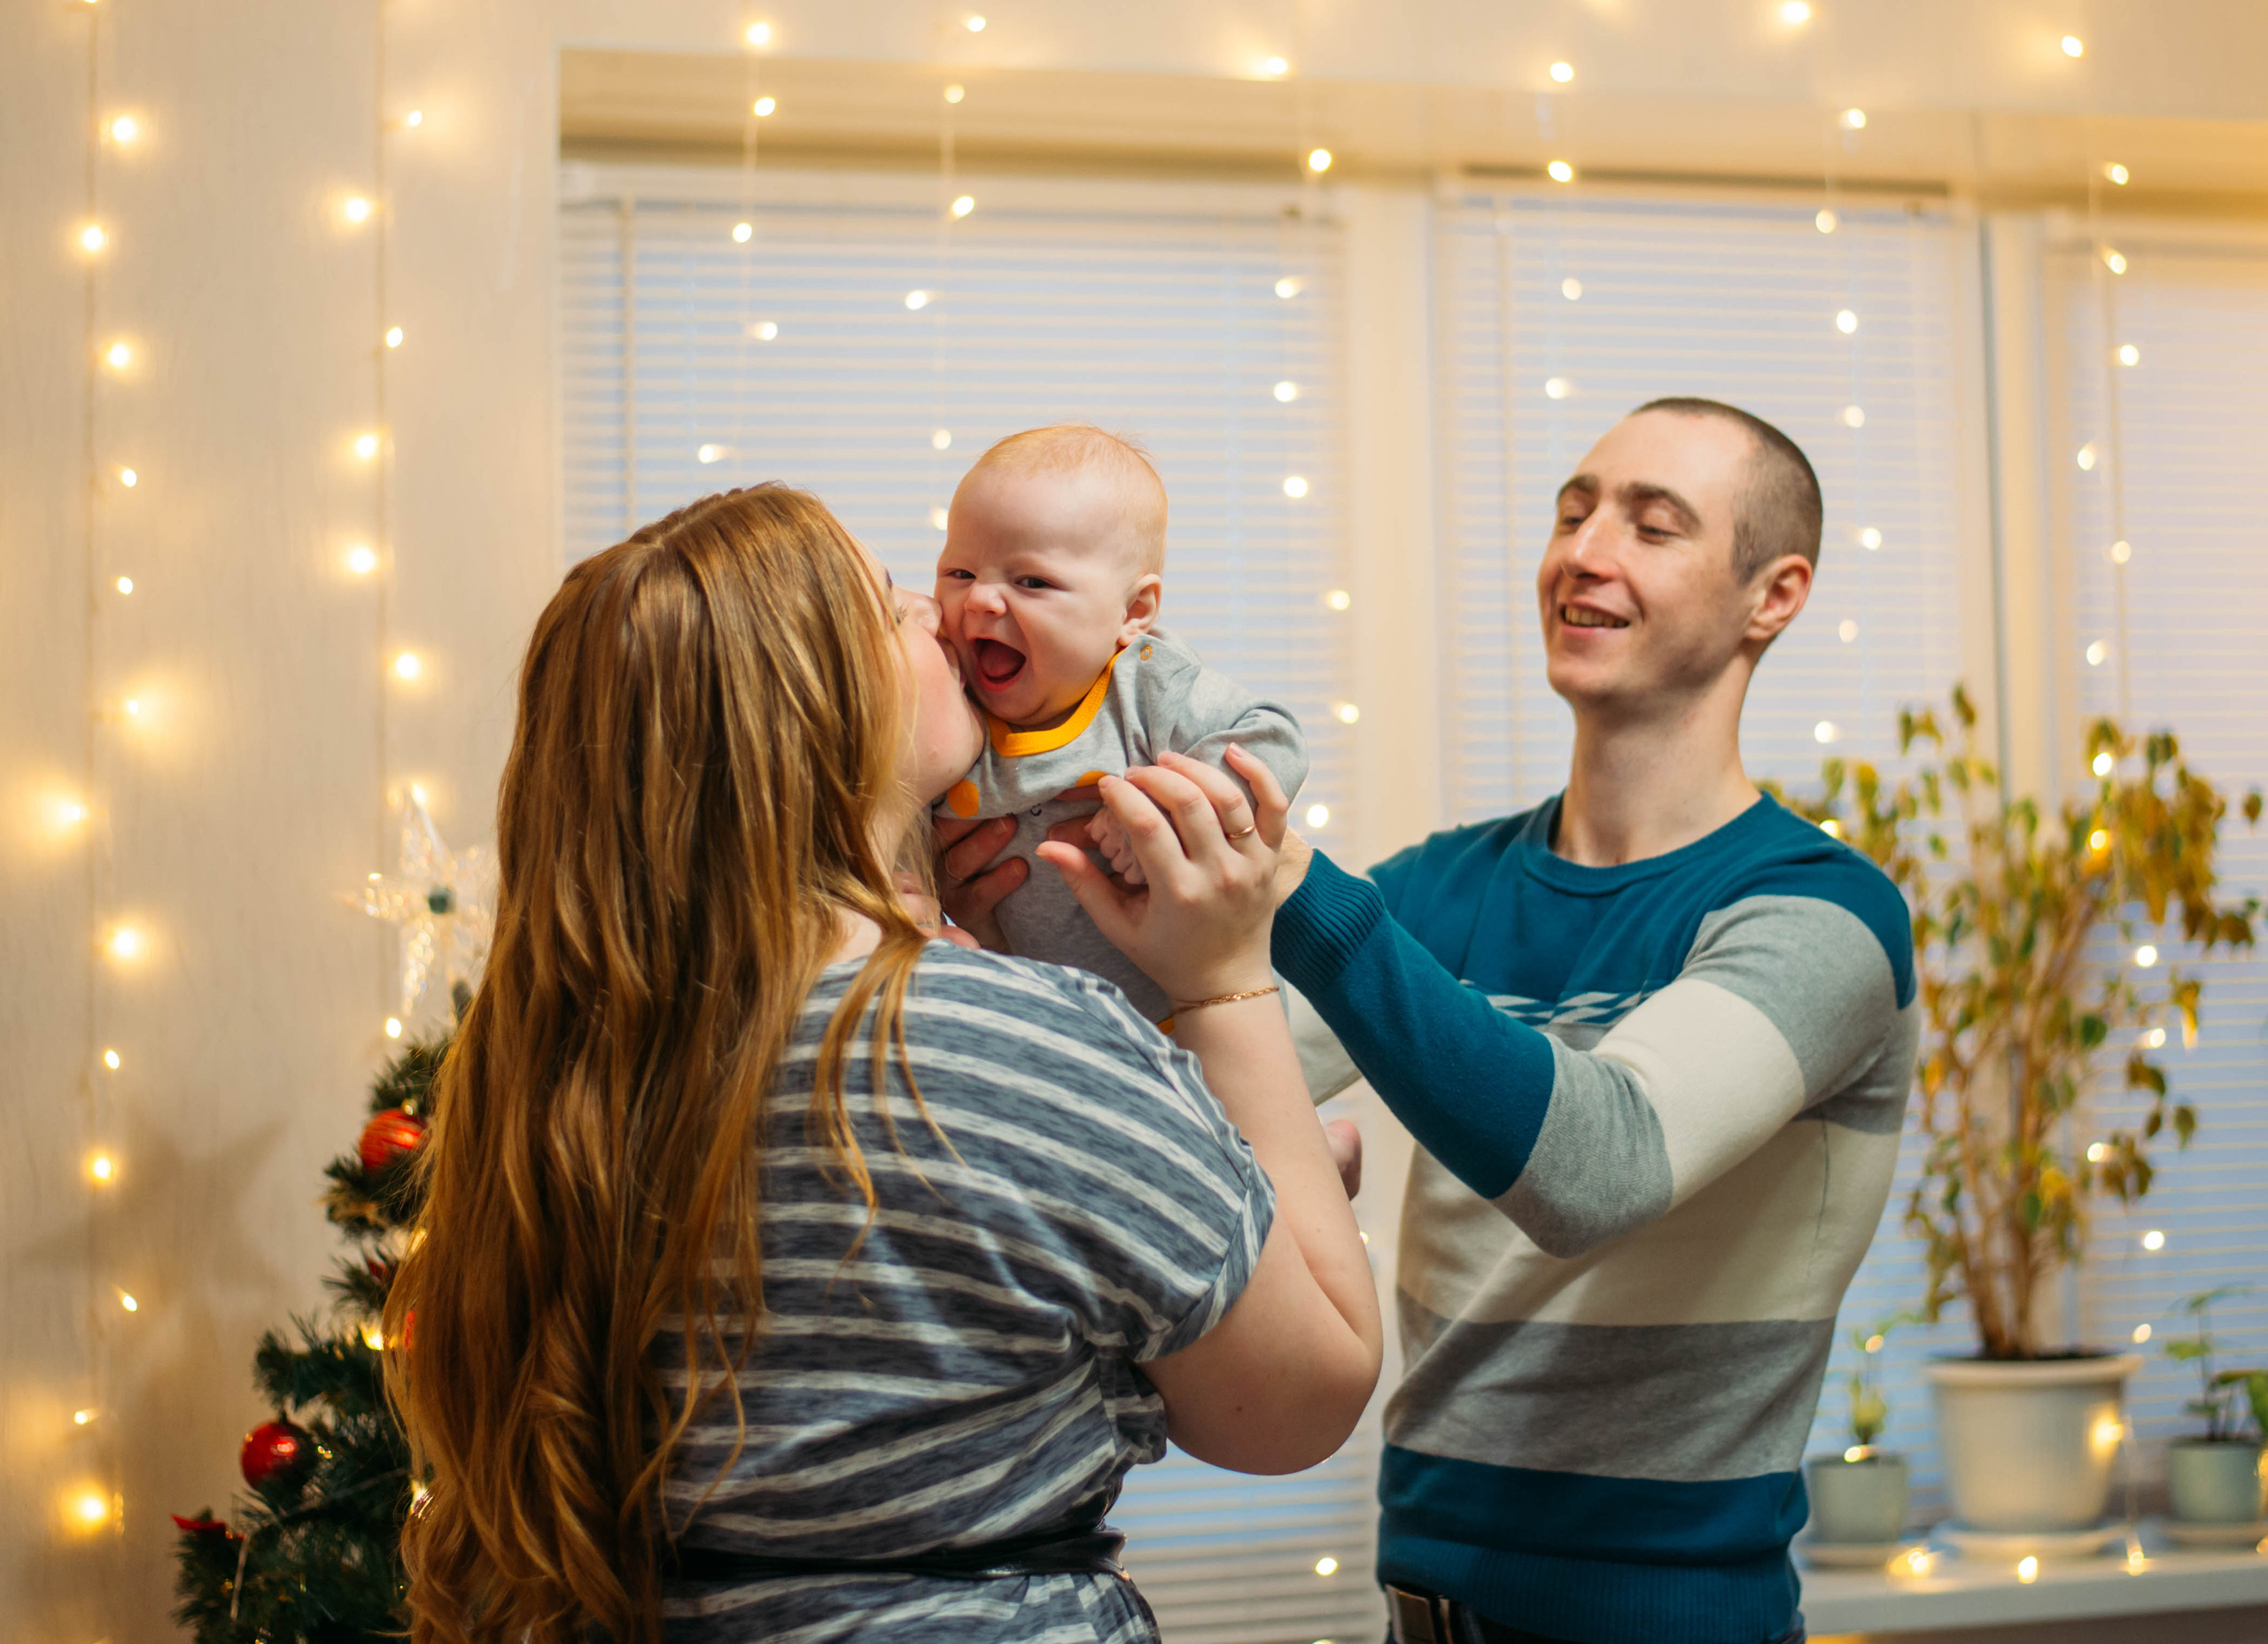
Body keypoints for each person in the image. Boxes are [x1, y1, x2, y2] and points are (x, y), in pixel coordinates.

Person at [944, 398, 1918, 1644]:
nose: (1583, 550)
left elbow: (1595, 1169)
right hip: (1419, 1616)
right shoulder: (1436, 892)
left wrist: (1271, 871)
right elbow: (1168, 1116)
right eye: (1573, 511)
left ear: (1773, 595)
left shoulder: (1819, 915)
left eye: (1652, 525)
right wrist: (997, 940)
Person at [384, 484, 1380, 1644]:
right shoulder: (1035, 1051)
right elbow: (1302, 1401)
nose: (935, 606)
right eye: (885, 599)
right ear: (825, 708)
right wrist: (1224, 977)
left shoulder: (555, 1068)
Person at [934, 423, 1308, 1024]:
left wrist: (1170, 815)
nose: (981, 601)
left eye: (1031, 581)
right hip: (1057, 1025)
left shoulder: (1149, 688)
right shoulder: (951, 706)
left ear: (1133, 612)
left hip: (1190, 1013)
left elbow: (1275, 738)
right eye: (960, 574)